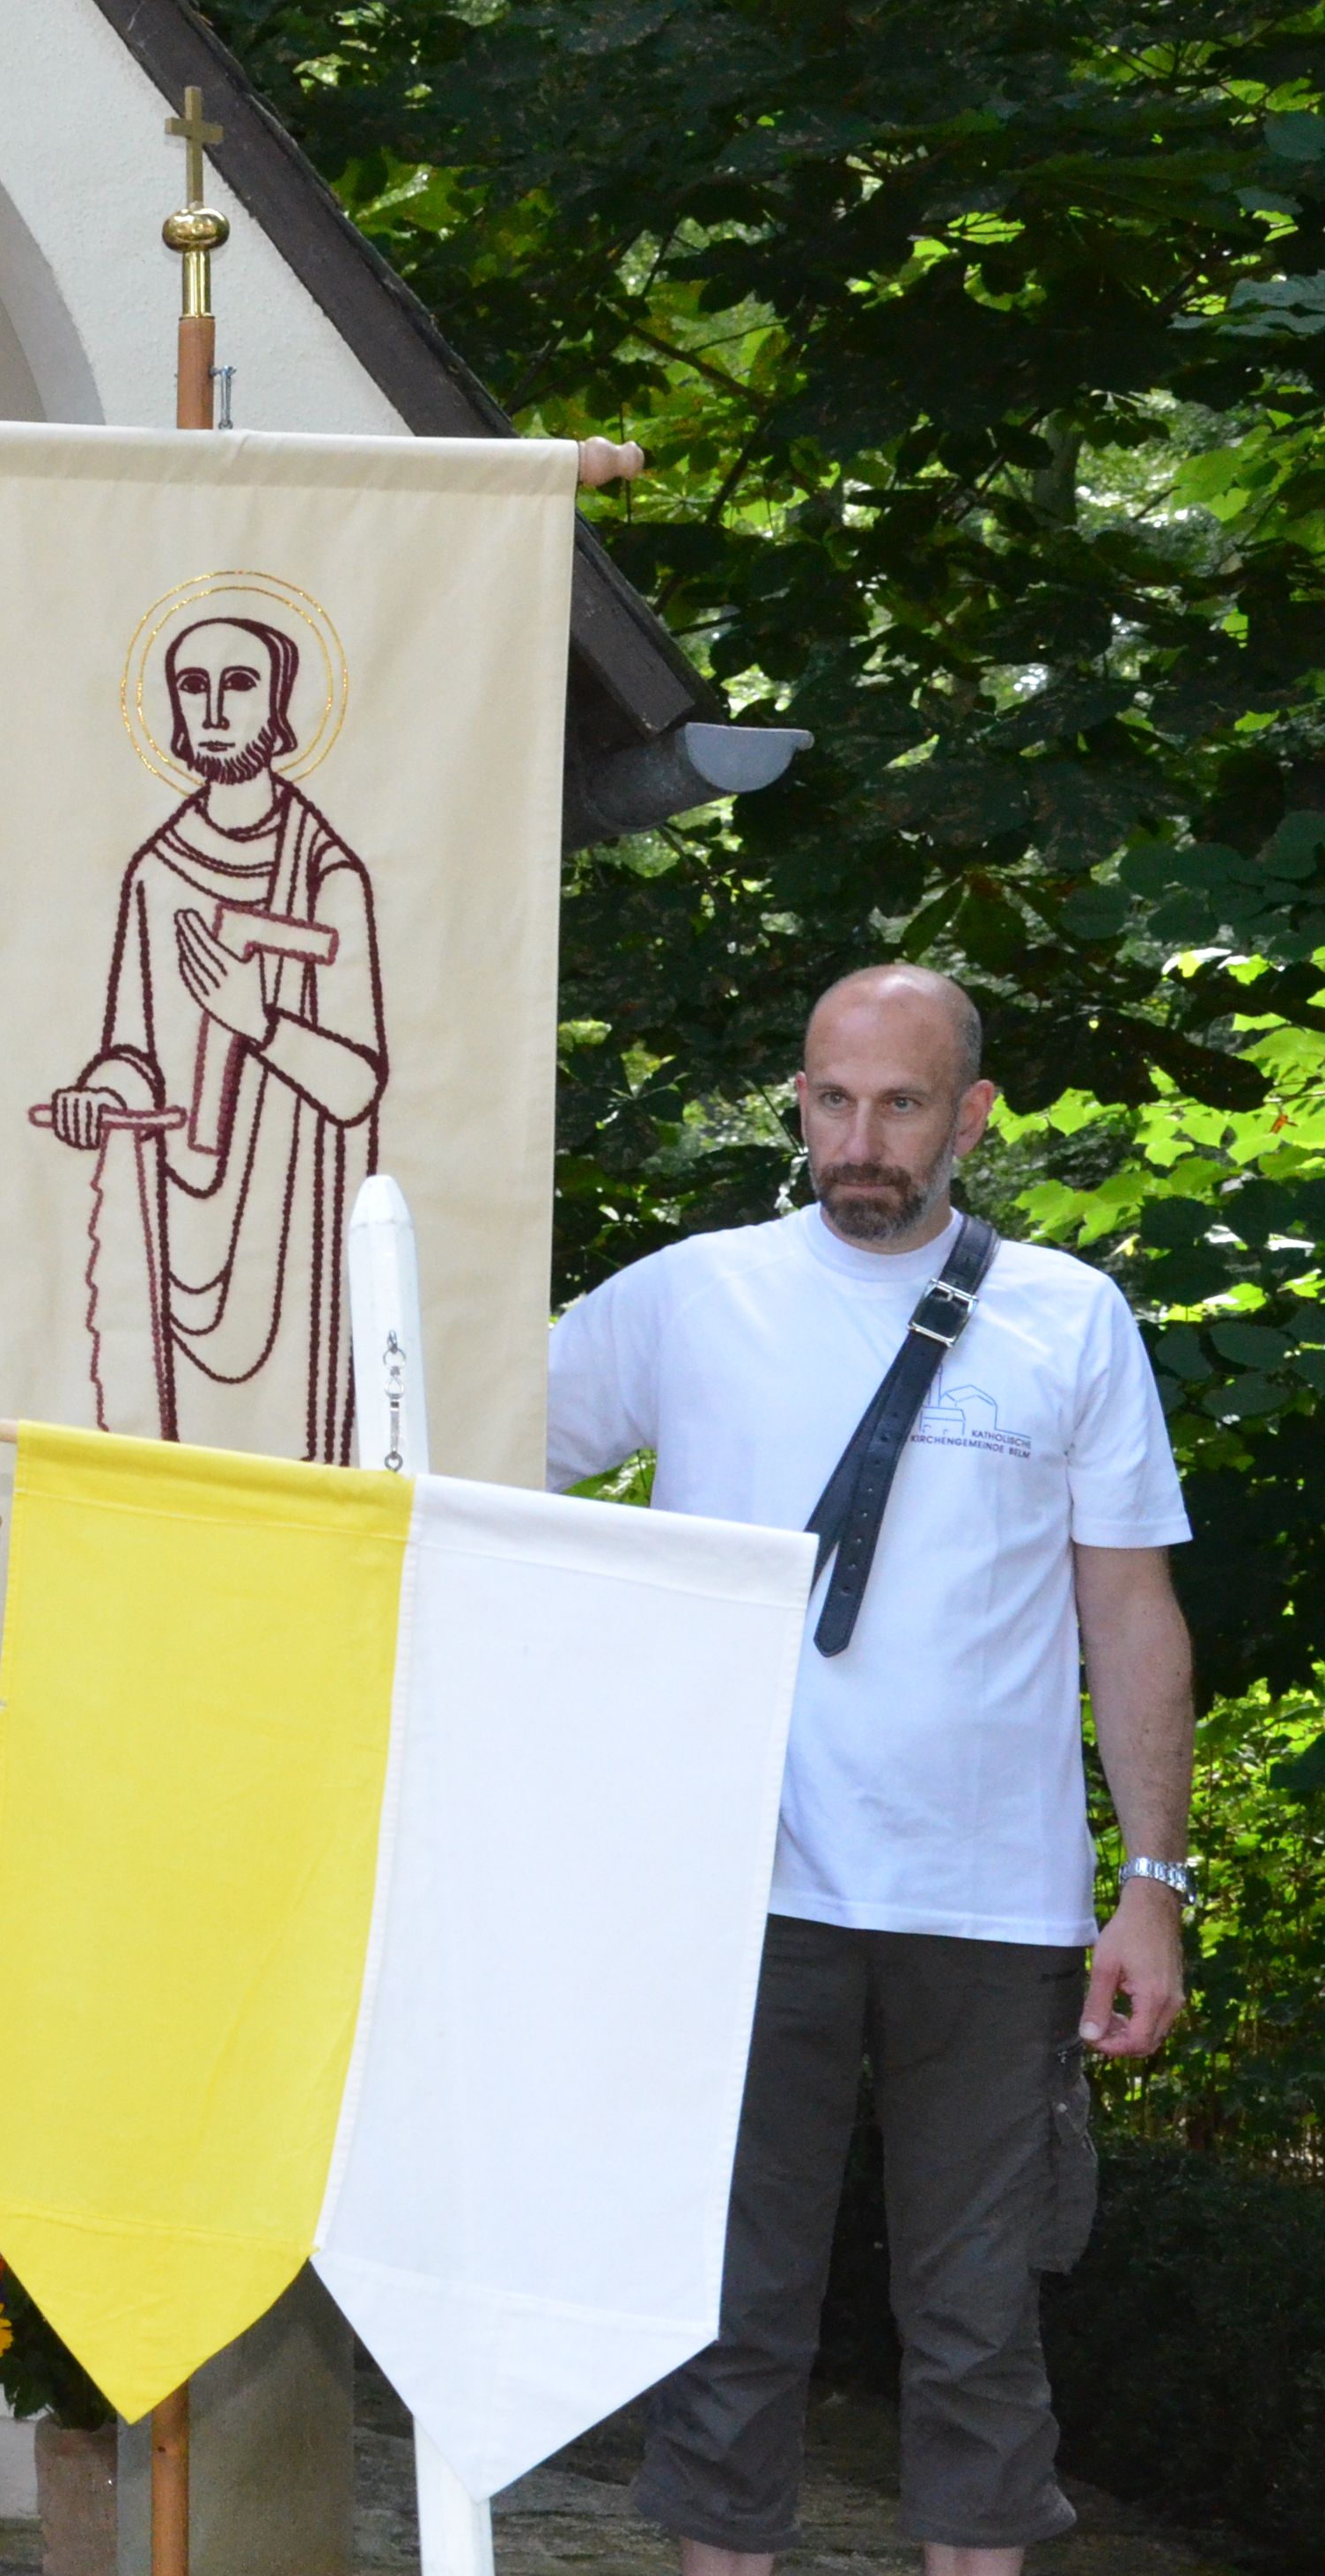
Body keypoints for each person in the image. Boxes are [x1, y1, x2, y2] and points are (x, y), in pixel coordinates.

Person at [547, 965, 1193, 2576]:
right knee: (730, 2313)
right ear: (794, 1097)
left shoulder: (1068, 1316)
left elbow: (1128, 1613)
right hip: (739, 1888)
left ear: (969, 1114)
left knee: (975, 2330)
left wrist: (1152, 1884)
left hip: (991, 1903)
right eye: (830, 1098)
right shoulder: (687, 1296)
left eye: (899, 1102)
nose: (860, 1137)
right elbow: (454, 1461)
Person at [40, 611, 387, 1461]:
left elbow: (355, 1084)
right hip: (179, 1222)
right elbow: (132, 1052)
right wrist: (101, 1099)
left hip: (296, 1225)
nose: (216, 708)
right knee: (183, 1470)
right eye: (194, 687)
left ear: (278, 708)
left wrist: (258, 1021)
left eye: (239, 685)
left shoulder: (325, 874)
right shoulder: (157, 872)